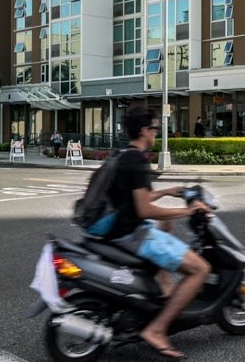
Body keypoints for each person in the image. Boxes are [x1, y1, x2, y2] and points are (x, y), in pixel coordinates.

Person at [106, 106, 210, 359]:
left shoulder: (124, 155)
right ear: (144, 131)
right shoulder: (138, 162)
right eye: (154, 128)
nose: (156, 133)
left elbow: (135, 197)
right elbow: (144, 210)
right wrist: (189, 211)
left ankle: (164, 288)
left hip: (120, 227)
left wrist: (166, 191)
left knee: (165, 226)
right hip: (132, 234)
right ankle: (158, 329)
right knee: (200, 269)